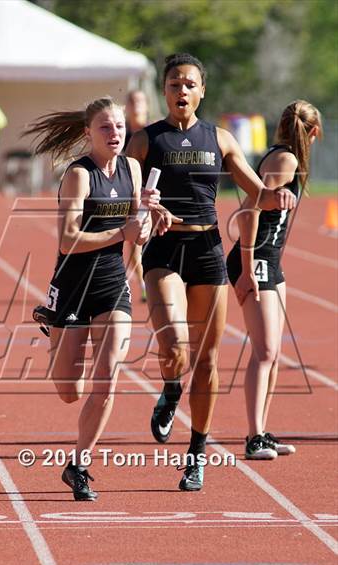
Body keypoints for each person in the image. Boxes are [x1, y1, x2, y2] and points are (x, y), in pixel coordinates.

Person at [126, 53, 296, 492]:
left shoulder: (219, 139)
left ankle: (196, 457)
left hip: (206, 250)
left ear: (202, 91)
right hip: (164, 249)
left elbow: (255, 190)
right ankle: (169, 388)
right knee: (175, 348)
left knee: (206, 362)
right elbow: (122, 192)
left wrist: (276, 198)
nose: (181, 91)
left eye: (189, 84)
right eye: (173, 84)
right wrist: (144, 208)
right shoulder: (145, 141)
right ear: (163, 91)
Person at [26, 97, 153, 501]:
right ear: (88, 133)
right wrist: (123, 233)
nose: (114, 133)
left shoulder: (133, 169)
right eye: (105, 127)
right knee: (69, 390)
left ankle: (78, 465)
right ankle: (53, 328)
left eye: (118, 126)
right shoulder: (78, 176)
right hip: (73, 284)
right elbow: (68, 239)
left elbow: (139, 229)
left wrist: (149, 221)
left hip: (112, 284)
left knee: (107, 380)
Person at [226, 100, 322, 460]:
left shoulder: (288, 161)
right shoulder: (285, 161)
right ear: (312, 134)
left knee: (275, 352)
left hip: (270, 260)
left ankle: (262, 433)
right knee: (264, 351)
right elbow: (249, 212)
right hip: (256, 258)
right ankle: (253, 438)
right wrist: (248, 269)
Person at [124, 90, 150, 302]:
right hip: (128, 194)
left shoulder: (151, 131)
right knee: (134, 241)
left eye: (139, 101)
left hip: (151, 193)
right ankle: (142, 283)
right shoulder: (119, 131)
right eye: (132, 101)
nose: (136, 105)